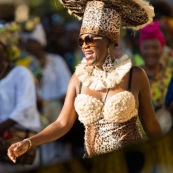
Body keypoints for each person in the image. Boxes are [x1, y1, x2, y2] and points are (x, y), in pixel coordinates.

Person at [8, 0, 162, 162]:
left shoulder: (135, 76)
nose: (84, 46)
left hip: (131, 163)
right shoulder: (78, 79)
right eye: (81, 41)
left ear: (109, 40)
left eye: (90, 39)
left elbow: (151, 124)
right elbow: (62, 123)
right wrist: (29, 142)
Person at [0, 39, 41, 172]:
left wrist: (2, 127)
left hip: (21, 137)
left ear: (5, 53)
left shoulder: (21, 73)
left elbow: (25, 106)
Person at [139, 20, 173, 133]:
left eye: (155, 47)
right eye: (146, 47)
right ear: (140, 48)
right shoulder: (133, 75)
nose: (150, 52)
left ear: (162, 48)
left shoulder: (170, 71)